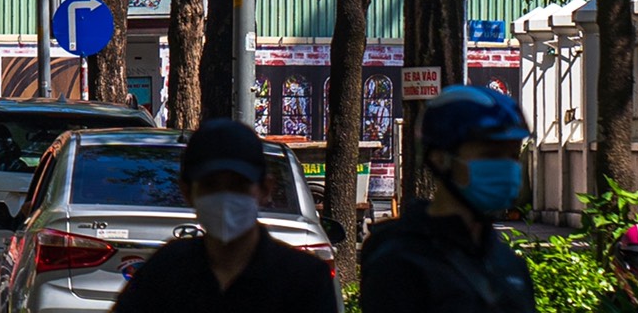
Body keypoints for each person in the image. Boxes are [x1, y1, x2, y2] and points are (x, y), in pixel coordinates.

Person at [116, 118, 339, 313]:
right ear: (186, 191)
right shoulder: (164, 273)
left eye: (238, 185)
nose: (225, 198)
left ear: (265, 189)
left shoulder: (304, 280)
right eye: (211, 185)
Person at [359, 85, 536, 313]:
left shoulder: (508, 263)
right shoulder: (399, 261)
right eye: (490, 155)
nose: (507, 167)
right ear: (440, 159)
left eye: (512, 156)